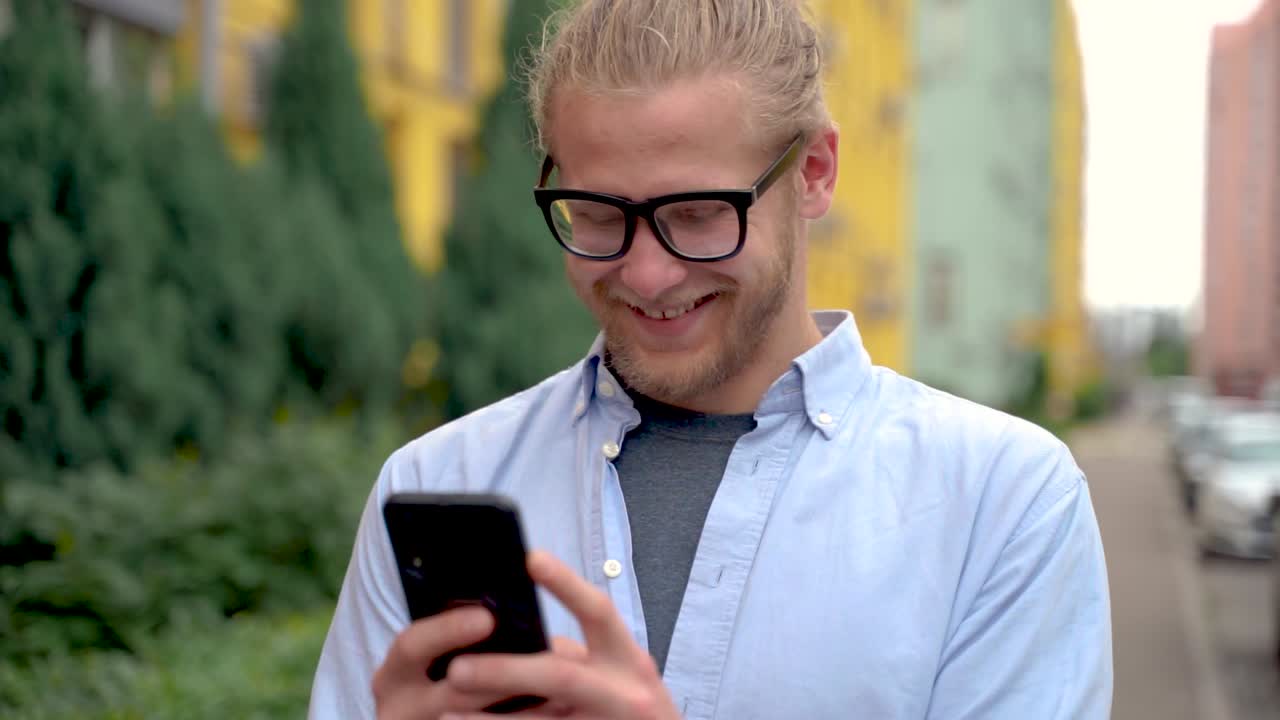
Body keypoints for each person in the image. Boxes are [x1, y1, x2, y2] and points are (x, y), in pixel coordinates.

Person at [308, 1, 1113, 718]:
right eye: (596, 215)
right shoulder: (433, 483)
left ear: (815, 173)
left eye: (696, 215)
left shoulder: (1002, 503)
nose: (648, 273)